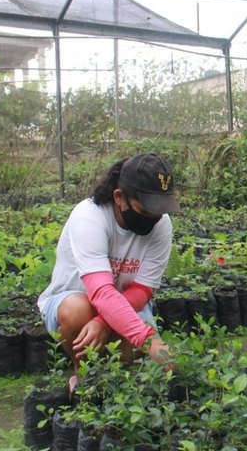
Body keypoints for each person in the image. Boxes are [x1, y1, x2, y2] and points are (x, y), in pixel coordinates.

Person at [37, 152, 180, 390]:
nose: (152, 219)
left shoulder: (161, 224)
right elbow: (101, 292)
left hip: (126, 303)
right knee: (79, 310)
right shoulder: (89, 216)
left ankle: (110, 383)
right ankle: (82, 374)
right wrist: (149, 341)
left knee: (126, 356)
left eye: (157, 212)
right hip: (72, 302)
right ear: (119, 197)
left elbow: (143, 290)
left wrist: (104, 322)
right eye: (144, 211)